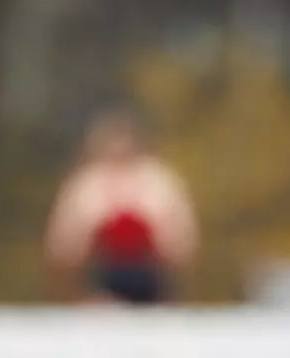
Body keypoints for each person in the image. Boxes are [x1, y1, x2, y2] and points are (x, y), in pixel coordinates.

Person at [43, 107, 199, 305]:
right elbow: (63, 246)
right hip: (101, 279)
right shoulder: (87, 184)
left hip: (152, 280)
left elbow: (182, 243)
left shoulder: (159, 181)